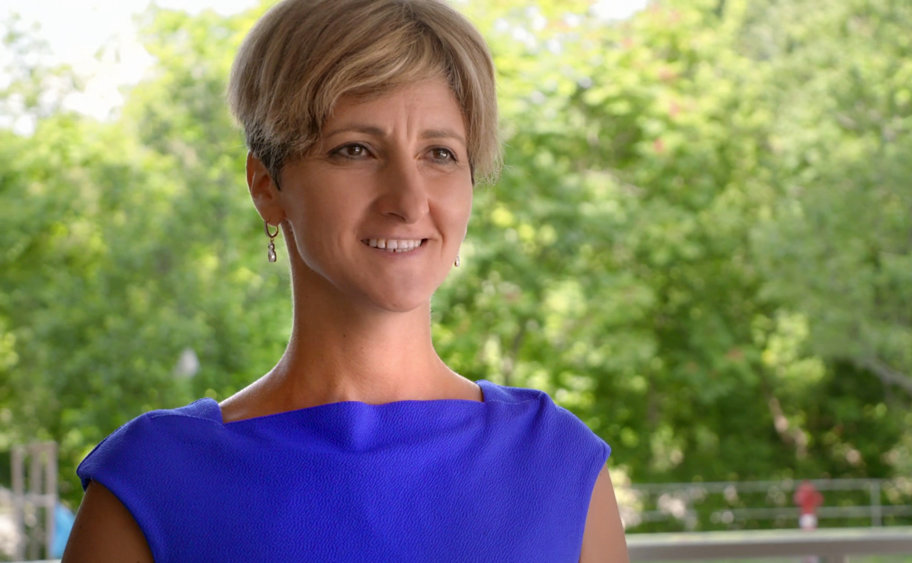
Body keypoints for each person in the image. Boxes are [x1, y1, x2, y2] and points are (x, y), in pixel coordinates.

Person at [62, 0, 628, 561]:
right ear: (266, 185)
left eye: (440, 153)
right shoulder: (150, 484)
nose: (409, 201)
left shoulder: (561, 465)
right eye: (355, 150)